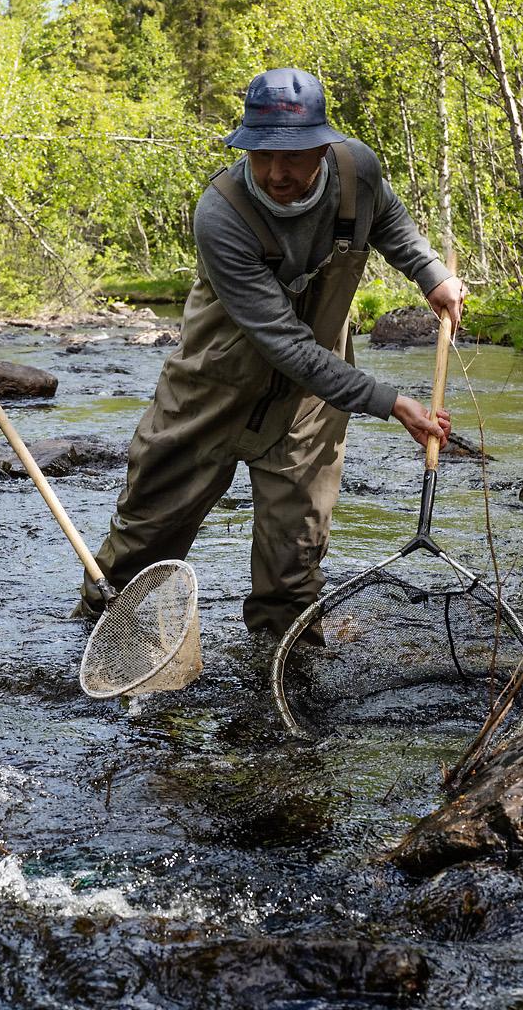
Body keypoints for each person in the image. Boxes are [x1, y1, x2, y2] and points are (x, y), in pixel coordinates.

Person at [78, 67, 465, 638]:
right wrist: (390, 402)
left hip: (313, 401)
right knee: (142, 545)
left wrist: (429, 273)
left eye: (293, 154)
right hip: (211, 390)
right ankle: (95, 652)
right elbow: (285, 344)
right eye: (261, 154)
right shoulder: (221, 214)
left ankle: (281, 675)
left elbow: (391, 222)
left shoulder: (358, 172)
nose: (276, 173)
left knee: (295, 563)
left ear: (324, 145)